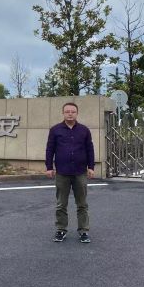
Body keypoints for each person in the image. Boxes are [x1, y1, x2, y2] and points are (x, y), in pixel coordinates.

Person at [45, 102, 95, 243]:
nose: (70, 114)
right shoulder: (55, 130)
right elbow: (50, 149)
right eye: (67, 111)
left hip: (80, 172)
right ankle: (61, 230)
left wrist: (91, 167)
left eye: (73, 111)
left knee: (82, 204)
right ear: (63, 113)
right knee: (61, 204)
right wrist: (49, 167)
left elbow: (90, 149)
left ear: (77, 113)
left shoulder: (84, 130)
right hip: (62, 172)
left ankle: (83, 231)